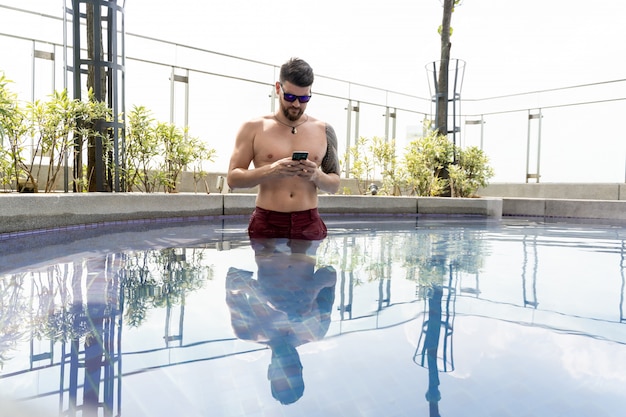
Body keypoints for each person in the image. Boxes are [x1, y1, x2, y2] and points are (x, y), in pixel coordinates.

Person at [227, 57, 341, 240]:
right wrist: (271, 170)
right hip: (267, 221)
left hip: (309, 221)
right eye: (290, 97)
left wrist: (316, 175)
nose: (296, 104)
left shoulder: (324, 130)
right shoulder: (253, 127)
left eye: (304, 98)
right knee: (270, 270)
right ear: (278, 88)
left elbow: (334, 185)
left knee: (304, 269)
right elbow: (233, 179)